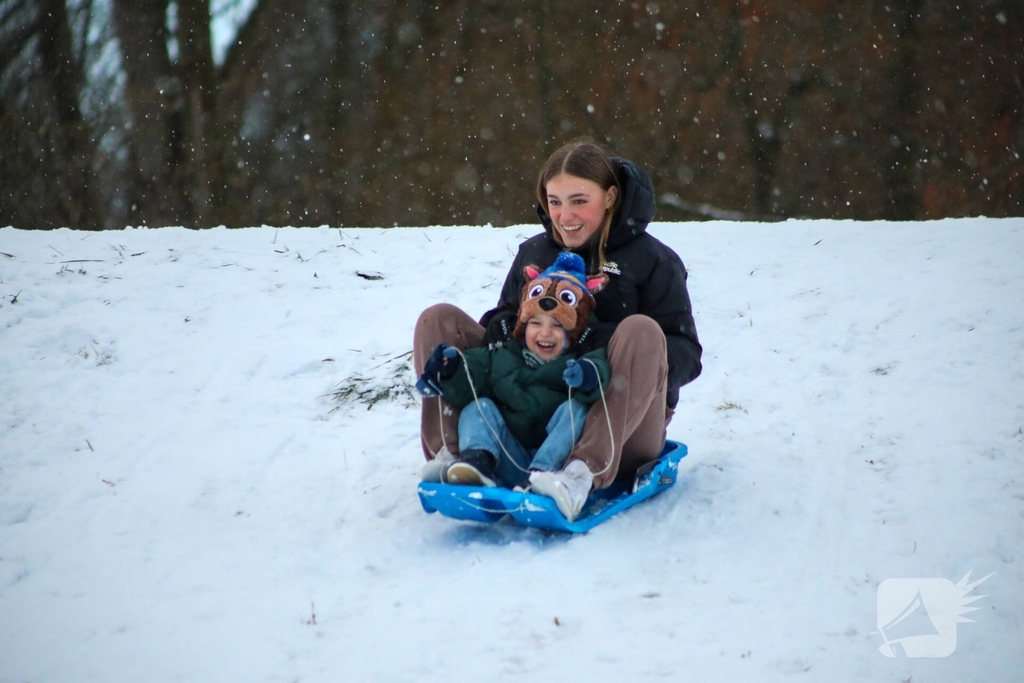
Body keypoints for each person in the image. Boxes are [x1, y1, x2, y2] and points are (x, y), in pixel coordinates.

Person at [413, 138, 702, 520]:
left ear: (611, 196)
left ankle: (579, 473)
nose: (564, 216)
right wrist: (506, 328)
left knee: (642, 330)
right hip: (527, 411)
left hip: (620, 428)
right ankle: (458, 457)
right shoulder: (534, 253)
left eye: (579, 200)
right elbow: (503, 316)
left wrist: (604, 344)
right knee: (437, 319)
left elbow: (686, 356)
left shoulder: (653, 261)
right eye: (554, 202)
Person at [415, 252, 611, 496]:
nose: (545, 334)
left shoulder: (574, 363)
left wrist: (587, 375)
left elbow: (599, 368)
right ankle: (477, 463)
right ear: (523, 326)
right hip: (506, 455)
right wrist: (452, 368)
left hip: (554, 463)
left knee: (575, 410)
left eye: (557, 326)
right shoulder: (503, 354)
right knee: (480, 405)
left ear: (573, 333)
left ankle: (542, 480)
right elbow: (473, 375)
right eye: (536, 324)